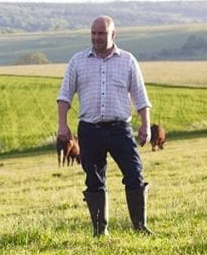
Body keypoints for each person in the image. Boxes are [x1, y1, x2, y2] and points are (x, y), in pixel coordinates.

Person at [56, 15, 153, 236]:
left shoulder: (128, 60)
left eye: (102, 33)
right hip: (89, 130)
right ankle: (100, 232)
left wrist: (145, 126)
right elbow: (64, 96)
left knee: (135, 174)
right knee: (94, 179)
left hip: (120, 129)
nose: (97, 37)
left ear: (113, 34)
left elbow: (141, 97)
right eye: (93, 33)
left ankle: (140, 226)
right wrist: (62, 125)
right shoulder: (77, 61)